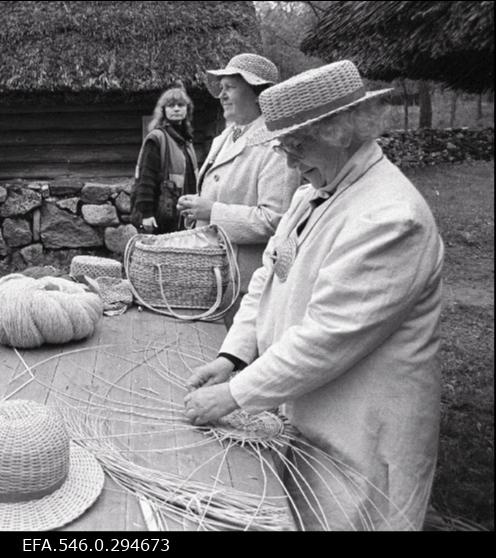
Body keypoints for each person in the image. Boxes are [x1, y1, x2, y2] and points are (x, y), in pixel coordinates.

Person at [183, 60, 444, 530]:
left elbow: (328, 337)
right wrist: (233, 357)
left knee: (356, 521)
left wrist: (232, 396)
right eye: (282, 145)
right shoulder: (314, 191)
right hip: (310, 408)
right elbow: (269, 274)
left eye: (297, 144)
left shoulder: (390, 218)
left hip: (363, 428)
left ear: (341, 130)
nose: (288, 161)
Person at [177, 53, 300, 326]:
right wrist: (197, 211)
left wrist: (212, 211)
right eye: (220, 89)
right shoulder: (225, 137)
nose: (221, 95)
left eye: (230, 87)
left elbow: (276, 220)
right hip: (213, 274)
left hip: (246, 283)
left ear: (258, 95)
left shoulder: (276, 145)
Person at [129, 86, 198, 234]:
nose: (176, 109)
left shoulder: (187, 142)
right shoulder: (156, 138)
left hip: (183, 213)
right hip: (162, 214)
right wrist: (146, 214)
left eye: (180, 105)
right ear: (164, 110)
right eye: (171, 106)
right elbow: (146, 177)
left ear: (187, 110)